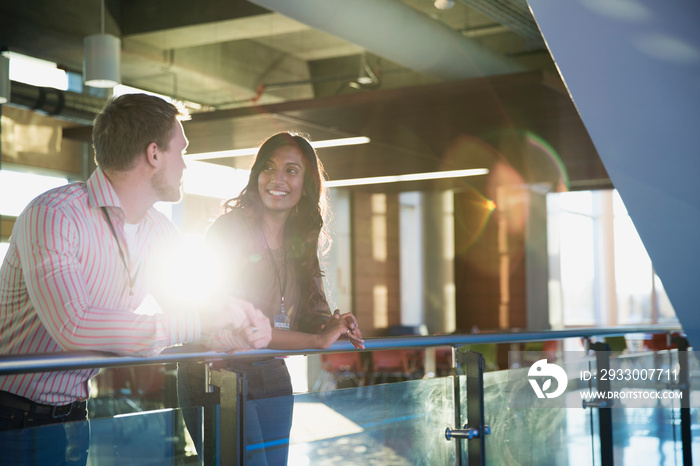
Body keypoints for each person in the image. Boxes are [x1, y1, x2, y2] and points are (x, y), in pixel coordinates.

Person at [0, 93, 271, 465]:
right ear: (154, 154)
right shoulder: (54, 215)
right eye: (182, 151)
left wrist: (235, 328)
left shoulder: (159, 232)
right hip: (9, 414)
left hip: (76, 414)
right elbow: (74, 326)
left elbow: (187, 311)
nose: (186, 165)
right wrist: (203, 320)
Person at [178, 131, 364, 465]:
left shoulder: (300, 242)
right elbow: (241, 326)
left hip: (271, 372)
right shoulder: (229, 230)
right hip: (218, 373)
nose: (276, 179)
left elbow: (312, 311)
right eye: (268, 167)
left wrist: (333, 325)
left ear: (306, 183)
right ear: (256, 176)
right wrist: (317, 339)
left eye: (291, 170)